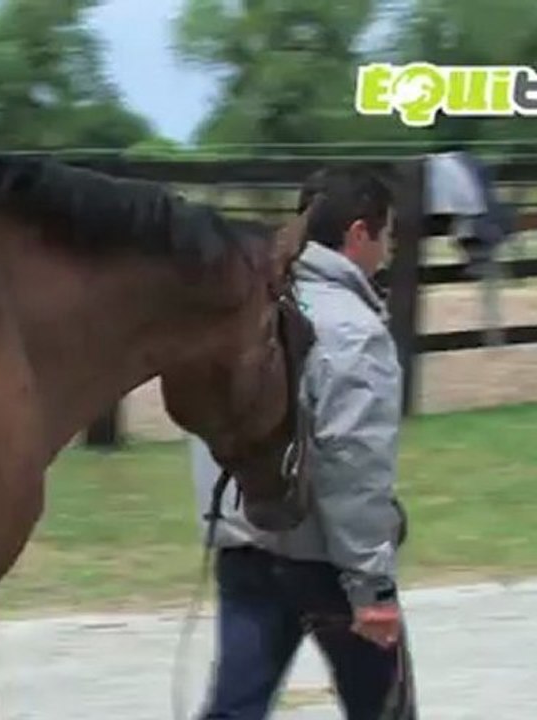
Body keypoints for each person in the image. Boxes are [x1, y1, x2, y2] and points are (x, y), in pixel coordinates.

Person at [190, 165, 417, 720]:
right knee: (385, 710)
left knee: (234, 709)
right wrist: (373, 592)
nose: (387, 253)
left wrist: (229, 525)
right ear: (359, 234)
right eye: (387, 236)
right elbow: (352, 468)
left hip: (245, 548)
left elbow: (205, 426)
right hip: (325, 566)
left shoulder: (248, 311)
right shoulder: (353, 332)